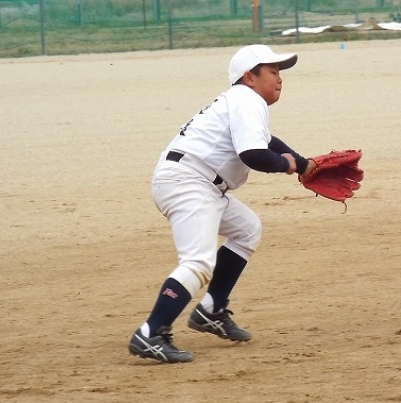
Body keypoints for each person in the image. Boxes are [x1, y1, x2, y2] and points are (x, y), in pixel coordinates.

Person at [128, 44, 317, 363]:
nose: (279, 78)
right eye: (272, 71)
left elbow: (267, 142)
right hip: (189, 181)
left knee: (247, 230)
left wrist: (303, 163)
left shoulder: (242, 101)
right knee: (197, 262)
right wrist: (288, 165)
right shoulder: (247, 99)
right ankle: (150, 333)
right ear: (249, 77)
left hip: (195, 181)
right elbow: (254, 155)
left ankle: (211, 309)